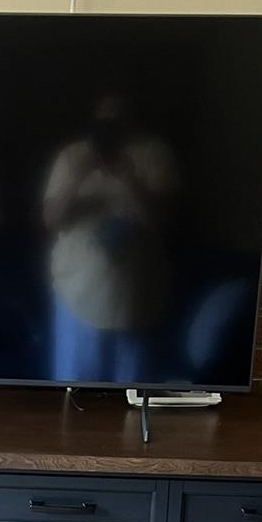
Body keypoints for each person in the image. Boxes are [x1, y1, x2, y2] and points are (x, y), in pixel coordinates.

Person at [42, 93, 179, 383]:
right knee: (73, 389)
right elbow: (50, 220)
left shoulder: (154, 153)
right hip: (76, 294)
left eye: (118, 120)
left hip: (137, 298)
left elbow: (168, 219)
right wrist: (77, 177)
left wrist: (129, 176)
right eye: (104, 121)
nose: (111, 128)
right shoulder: (72, 156)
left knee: (131, 394)